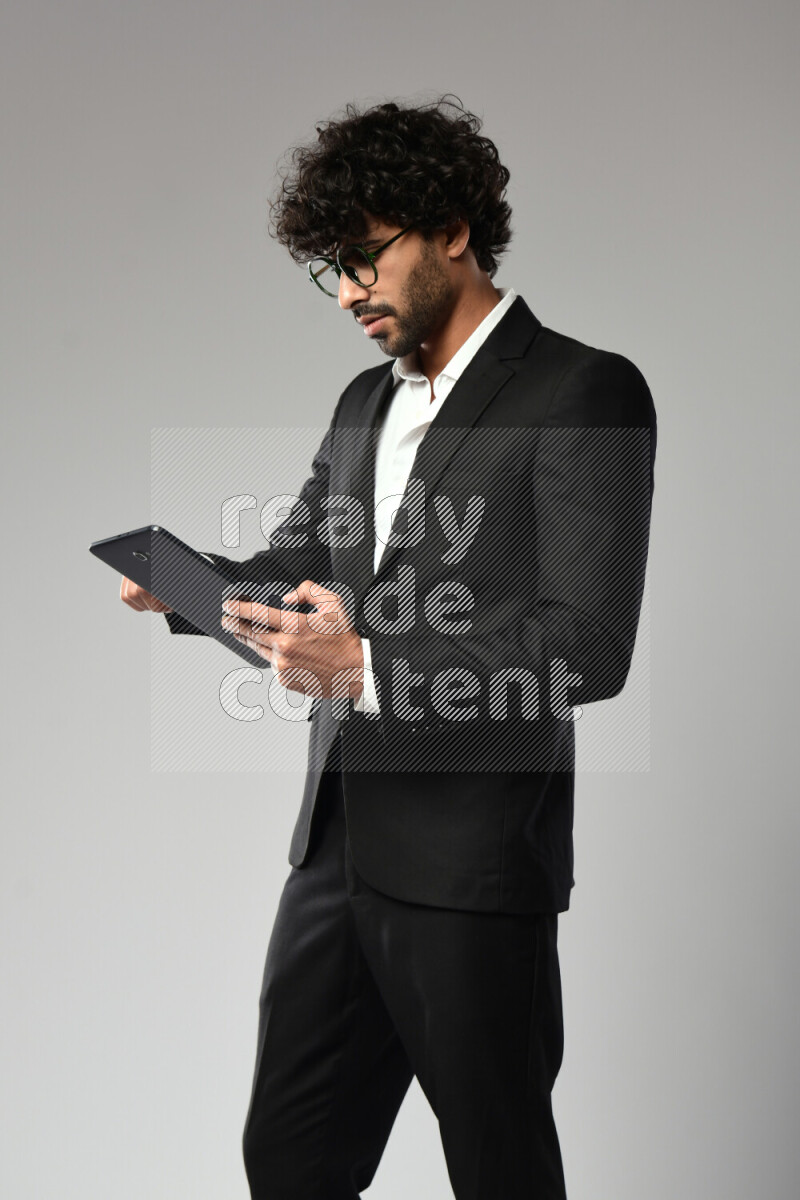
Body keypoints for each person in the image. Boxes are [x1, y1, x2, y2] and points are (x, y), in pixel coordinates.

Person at [120, 96, 657, 1199]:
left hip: (470, 866)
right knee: (290, 1162)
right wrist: (191, 590)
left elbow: (586, 644)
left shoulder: (581, 389)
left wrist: (364, 669)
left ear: (450, 230)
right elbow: (298, 564)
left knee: (497, 1169)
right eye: (332, 271)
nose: (349, 294)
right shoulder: (366, 400)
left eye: (364, 258)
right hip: (334, 854)